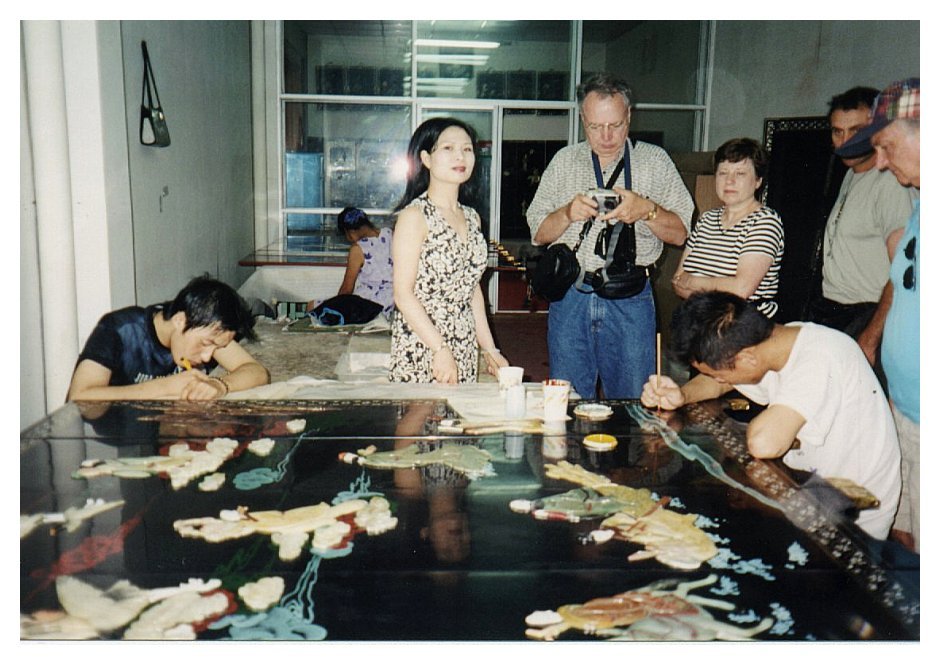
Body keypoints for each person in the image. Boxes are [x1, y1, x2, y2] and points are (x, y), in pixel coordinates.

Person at [640, 291, 900, 540]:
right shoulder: (780, 341)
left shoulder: (821, 357)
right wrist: (682, 395)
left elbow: (764, 443)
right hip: (808, 484)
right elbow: (720, 383)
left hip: (853, 510)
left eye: (717, 373)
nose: (717, 379)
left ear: (747, 358)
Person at [526, 73, 693, 399]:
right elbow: (538, 233)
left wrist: (647, 210)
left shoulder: (654, 161)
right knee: (567, 401)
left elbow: (680, 233)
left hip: (631, 297)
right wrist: (567, 213)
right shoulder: (564, 162)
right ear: (582, 119)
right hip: (571, 295)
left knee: (634, 399)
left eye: (615, 125)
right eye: (595, 126)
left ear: (629, 116)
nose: (605, 136)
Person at [836, 77, 919, 552]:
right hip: (903, 406)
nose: (880, 161)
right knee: (900, 535)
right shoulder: (923, 206)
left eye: (886, 146)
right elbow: (902, 281)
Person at [389, 117, 508, 384]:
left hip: (463, 342)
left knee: (458, 411)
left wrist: (490, 349)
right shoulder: (414, 216)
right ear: (426, 159)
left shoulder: (472, 217)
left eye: (467, 149)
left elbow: (471, 289)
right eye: (448, 148)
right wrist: (439, 349)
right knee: (421, 411)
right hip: (423, 343)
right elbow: (403, 294)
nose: (460, 156)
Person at [807, 87, 914, 380]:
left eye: (855, 131)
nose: (845, 142)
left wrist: (871, 337)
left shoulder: (891, 184)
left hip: (867, 318)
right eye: (837, 132)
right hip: (834, 313)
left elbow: (905, 272)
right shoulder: (851, 173)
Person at [67, 275, 270, 401]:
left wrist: (219, 385)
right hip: (115, 443)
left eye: (216, 347)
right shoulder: (121, 329)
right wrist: (164, 387)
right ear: (180, 320)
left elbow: (257, 372)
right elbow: (79, 395)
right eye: (205, 344)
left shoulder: (207, 330)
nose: (207, 357)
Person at [672, 138, 784, 318]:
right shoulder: (706, 219)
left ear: (758, 181)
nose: (729, 181)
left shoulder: (765, 222)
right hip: (701, 320)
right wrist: (720, 289)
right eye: (723, 173)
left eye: (740, 173)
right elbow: (677, 282)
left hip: (744, 324)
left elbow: (741, 289)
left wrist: (694, 281)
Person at [308, 206, 394, 316]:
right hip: (391, 302)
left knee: (312, 305)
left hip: (369, 305)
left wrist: (337, 307)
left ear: (349, 232)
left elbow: (346, 289)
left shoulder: (358, 249)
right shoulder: (389, 234)